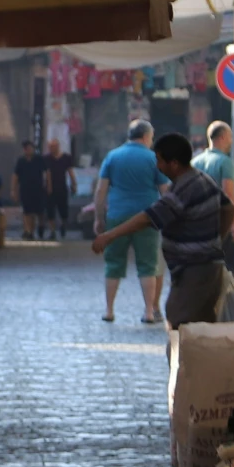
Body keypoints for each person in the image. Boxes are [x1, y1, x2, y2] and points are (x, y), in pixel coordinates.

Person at [90, 132, 234, 327]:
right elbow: (229, 208)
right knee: (197, 324)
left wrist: (109, 235)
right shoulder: (201, 179)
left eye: (160, 161)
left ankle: (192, 357)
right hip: (202, 266)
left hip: (195, 268)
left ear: (174, 163)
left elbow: (149, 217)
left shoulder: (183, 188)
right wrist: (216, 240)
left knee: (180, 320)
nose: (157, 166)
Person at [91, 119, 166, 323]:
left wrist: (99, 218)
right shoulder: (154, 158)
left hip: (116, 217)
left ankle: (109, 310)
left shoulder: (112, 157)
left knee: (113, 263)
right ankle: (149, 312)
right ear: (145, 136)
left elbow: (101, 191)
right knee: (148, 265)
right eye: (151, 137)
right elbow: (166, 191)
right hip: (147, 218)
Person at [193, 120, 234, 265]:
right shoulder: (225, 162)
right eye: (230, 136)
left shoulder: (194, 162)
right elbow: (228, 196)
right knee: (226, 266)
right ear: (223, 137)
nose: (231, 141)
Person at [12, 141, 48, 240]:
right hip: (25, 189)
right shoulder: (21, 161)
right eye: (26, 148)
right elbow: (15, 176)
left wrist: (48, 185)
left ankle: (41, 226)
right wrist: (13, 190)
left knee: (40, 211)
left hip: (38, 189)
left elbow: (46, 172)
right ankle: (29, 231)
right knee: (28, 212)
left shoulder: (39, 159)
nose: (28, 150)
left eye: (30, 148)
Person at [42, 139, 75, 241]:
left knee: (63, 209)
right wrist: (48, 186)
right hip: (50, 188)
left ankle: (63, 225)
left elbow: (70, 171)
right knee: (50, 210)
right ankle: (52, 231)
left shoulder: (65, 158)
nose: (52, 149)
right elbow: (47, 173)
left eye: (54, 146)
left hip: (62, 187)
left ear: (58, 146)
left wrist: (74, 183)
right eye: (50, 147)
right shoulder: (46, 158)